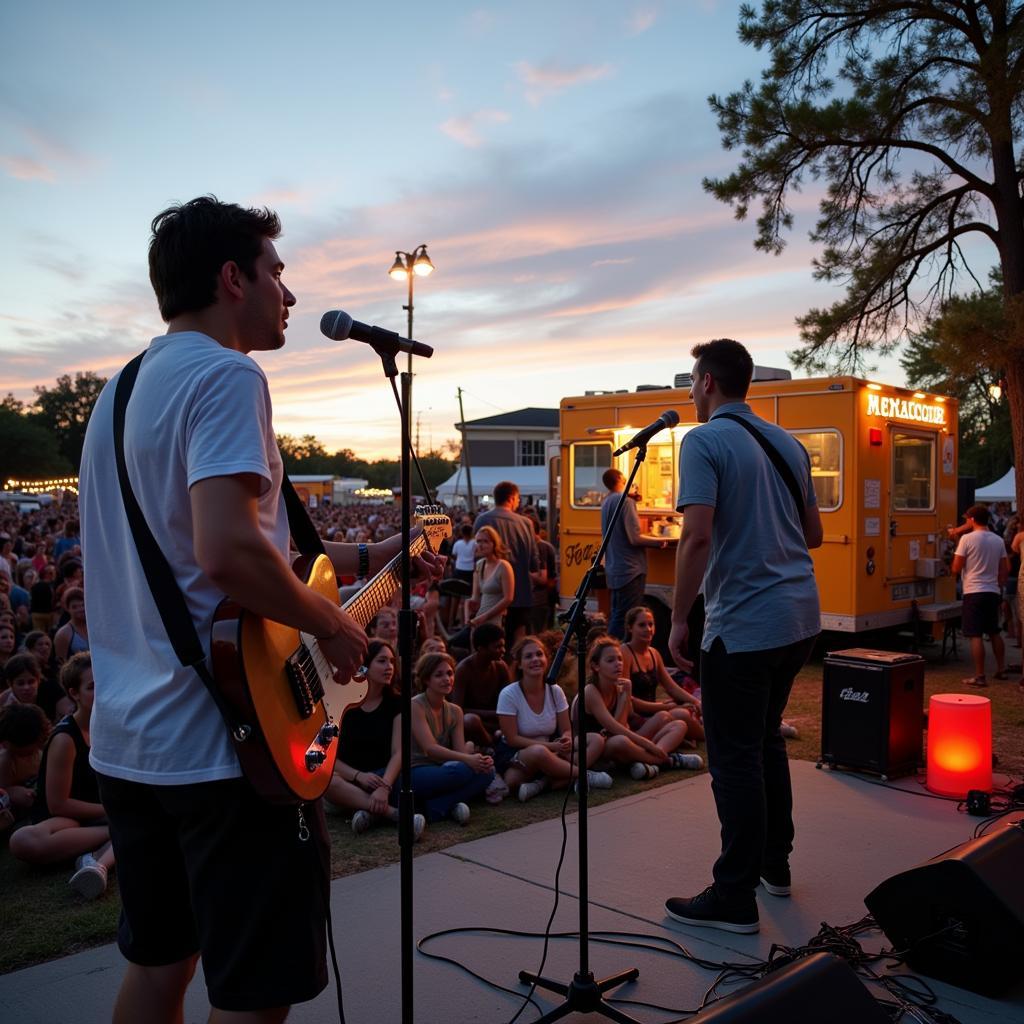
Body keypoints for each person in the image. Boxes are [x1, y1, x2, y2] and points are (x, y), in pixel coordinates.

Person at [78, 196, 441, 1022]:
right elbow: (226, 553)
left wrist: (372, 562)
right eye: (277, 271)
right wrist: (336, 625)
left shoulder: (120, 392)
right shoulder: (228, 374)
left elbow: (235, 550)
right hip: (226, 754)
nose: (291, 292)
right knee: (253, 994)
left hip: (134, 745)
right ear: (232, 278)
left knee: (158, 967)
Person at [665, 338, 822, 935]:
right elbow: (812, 533)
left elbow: (697, 538)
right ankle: (773, 868)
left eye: (690, 381)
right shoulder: (788, 443)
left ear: (707, 383)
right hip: (799, 618)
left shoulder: (703, 441)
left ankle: (733, 895)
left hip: (746, 623)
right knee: (764, 744)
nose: (688, 392)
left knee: (733, 758)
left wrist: (680, 619)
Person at [9, 653, 117, 899]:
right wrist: (110, 812)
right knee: (22, 841)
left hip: (101, 814)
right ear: (73, 693)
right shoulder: (65, 739)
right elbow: (58, 804)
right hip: (68, 819)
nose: (100, 691)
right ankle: (115, 836)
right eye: (91, 687)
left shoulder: (112, 725)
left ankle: (97, 864)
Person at [324, 640, 425, 840]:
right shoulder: (342, 701)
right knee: (328, 782)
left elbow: (399, 751)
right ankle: (396, 815)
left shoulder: (397, 703)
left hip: (383, 777)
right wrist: (358, 776)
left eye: (391, 662)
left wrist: (384, 786)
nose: (389, 667)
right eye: (382, 661)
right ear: (364, 666)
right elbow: (326, 753)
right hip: (349, 780)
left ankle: (369, 813)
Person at [496, 636, 610, 801]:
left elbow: (566, 729)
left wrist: (566, 738)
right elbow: (512, 739)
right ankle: (584, 775)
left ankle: (542, 784)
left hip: (553, 749)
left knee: (597, 740)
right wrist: (551, 746)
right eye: (528, 656)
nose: (535, 659)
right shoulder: (509, 694)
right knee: (513, 781)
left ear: (546, 659)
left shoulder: (555, 690)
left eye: (539, 654)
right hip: (521, 753)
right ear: (520, 664)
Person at [576, 636, 693, 779]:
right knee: (621, 741)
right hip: (600, 747)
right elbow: (615, 729)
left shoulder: (620, 686)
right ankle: (667, 760)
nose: (618, 664)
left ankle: (645, 760)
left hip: (621, 738)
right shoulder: (590, 691)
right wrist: (649, 745)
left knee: (677, 724)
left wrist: (625, 695)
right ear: (596, 666)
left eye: (619, 659)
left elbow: (624, 724)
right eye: (610, 660)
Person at [409, 652, 495, 824]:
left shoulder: (455, 711)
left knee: (488, 772)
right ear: (426, 679)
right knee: (461, 770)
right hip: (417, 770)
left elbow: (460, 750)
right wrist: (468, 759)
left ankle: (437, 806)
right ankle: (446, 803)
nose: (446, 679)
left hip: (444, 769)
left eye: (449, 673)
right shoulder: (415, 705)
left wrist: (478, 761)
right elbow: (430, 749)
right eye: (439, 675)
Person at [621, 606, 704, 746]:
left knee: (688, 710)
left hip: (654, 712)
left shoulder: (654, 653)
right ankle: (708, 736)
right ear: (630, 628)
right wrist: (663, 707)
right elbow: (628, 700)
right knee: (681, 714)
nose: (648, 629)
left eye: (651, 624)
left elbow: (671, 687)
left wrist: (697, 702)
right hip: (635, 717)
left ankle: (693, 735)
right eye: (642, 625)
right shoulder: (625, 652)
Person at [474, 482, 545, 646]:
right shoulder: (526, 523)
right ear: (512, 498)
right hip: (521, 594)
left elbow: (476, 560)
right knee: (518, 641)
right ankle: (514, 670)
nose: (519, 503)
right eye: (518, 499)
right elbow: (534, 563)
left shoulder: (482, 520)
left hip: (492, 597)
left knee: (492, 643)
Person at [600, 469, 666, 639]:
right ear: (621, 479)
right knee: (627, 618)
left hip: (615, 569)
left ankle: (610, 653)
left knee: (616, 615)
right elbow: (634, 538)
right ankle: (617, 653)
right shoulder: (626, 502)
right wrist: (658, 542)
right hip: (630, 569)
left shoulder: (606, 502)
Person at [953, 504, 1010, 686]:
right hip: (992, 591)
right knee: (994, 631)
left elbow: (956, 567)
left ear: (971, 520)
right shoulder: (998, 540)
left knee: (975, 634)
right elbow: (1005, 568)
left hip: (974, 591)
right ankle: (1001, 669)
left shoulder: (967, 539)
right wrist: (999, 585)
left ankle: (979, 675)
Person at [451, 622, 512, 747]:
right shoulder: (463, 670)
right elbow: (457, 709)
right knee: (470, 720)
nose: (503, 650)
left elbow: (510, 701)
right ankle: (493, 746)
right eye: (497, 647)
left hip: (497, 721)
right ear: (481, 649)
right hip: (475, 723)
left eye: (503, 646)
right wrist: (492, 713)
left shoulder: (501, 667)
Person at [53, 586, 89, 665]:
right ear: (68, 609)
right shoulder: (64, 633)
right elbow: (61, 664)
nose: (80, 609)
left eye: (83, 605)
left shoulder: (96, 627)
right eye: (74, 607)